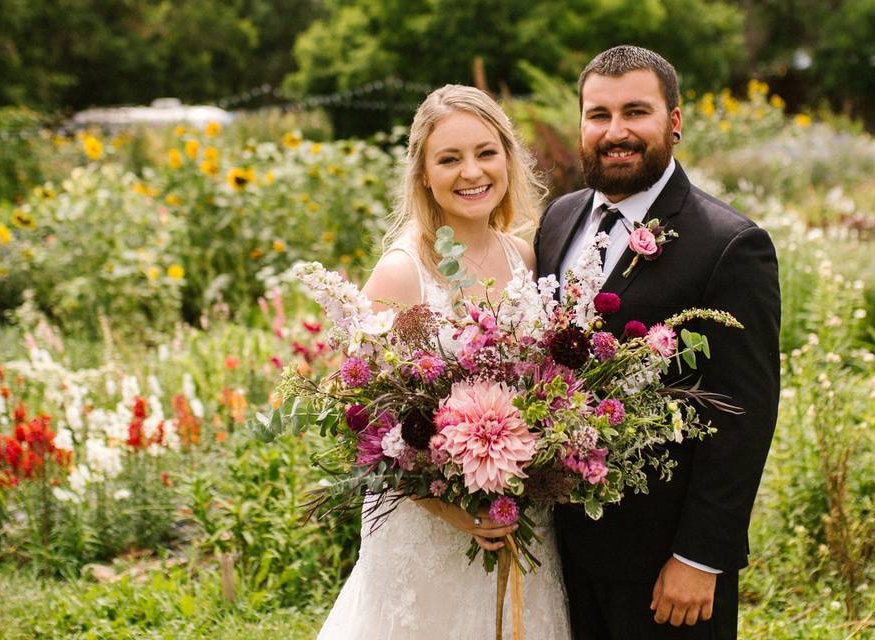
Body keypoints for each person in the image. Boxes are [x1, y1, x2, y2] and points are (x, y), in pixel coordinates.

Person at [533, 46, 781, 639]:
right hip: (558, 552)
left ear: (674, 121)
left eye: (635, 112)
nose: (615, 132)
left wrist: (701, 558)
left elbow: (743, 414)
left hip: (665, 570)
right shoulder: (557, 220)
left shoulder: (729, 245)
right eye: (598, 115)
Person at [317, 84, 572, 640]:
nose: (471, 172)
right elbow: (362, 426)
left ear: (507, 157)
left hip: (518, 523)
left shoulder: (522, 255)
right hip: (428, 535)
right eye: (449, 158)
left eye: (485, 152)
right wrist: (453, 512)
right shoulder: (402, 272)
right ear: (424, 174)